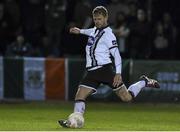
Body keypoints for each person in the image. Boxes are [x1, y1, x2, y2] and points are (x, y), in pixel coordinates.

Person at [58, 6, 160, 128]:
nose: (97, 21)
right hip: (91, 72)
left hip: (105, 70)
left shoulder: (109, 35)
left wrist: (118, 73)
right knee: (79, 96)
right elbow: (91, 31)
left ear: (106, 18)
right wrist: (80, 31)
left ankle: (144, 82)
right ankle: (73, 122)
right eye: (95, 19)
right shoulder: (96, 30)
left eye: (99, 19)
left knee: (126, 97)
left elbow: (116, 55)